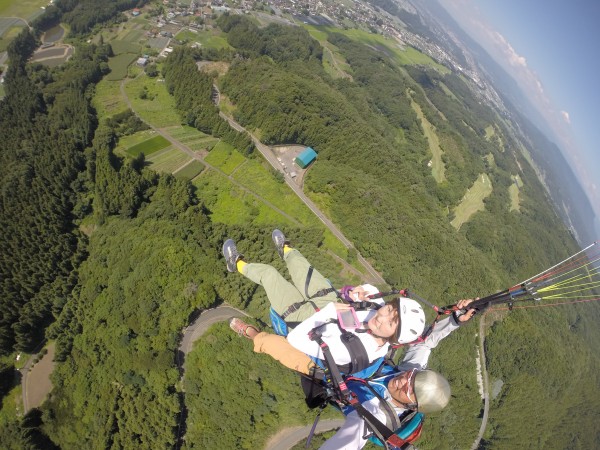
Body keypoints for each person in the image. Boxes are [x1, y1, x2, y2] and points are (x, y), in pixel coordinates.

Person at [223, 230, 427, 373]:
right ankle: (285, 248)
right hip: (330, 300)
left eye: (391, 323)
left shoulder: (354, 353)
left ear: (394, 338)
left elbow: (296, 341)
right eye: (390, 309)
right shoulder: (379, 312)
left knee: (269, 274)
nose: (382, 316)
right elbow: (373, 292)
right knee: (300, 264)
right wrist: (362, 291)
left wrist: (327, 312)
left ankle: (237, 264)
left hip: (303, 319)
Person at [318, 299, 477, 450]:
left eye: (409, 390)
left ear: (412, 406)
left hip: (317, 364)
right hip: (341, 343)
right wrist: (455, 319)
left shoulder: (376, 412)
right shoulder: (409, 374)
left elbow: (350, 441)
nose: (403, 380)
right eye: (411, 376)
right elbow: (424, 343)